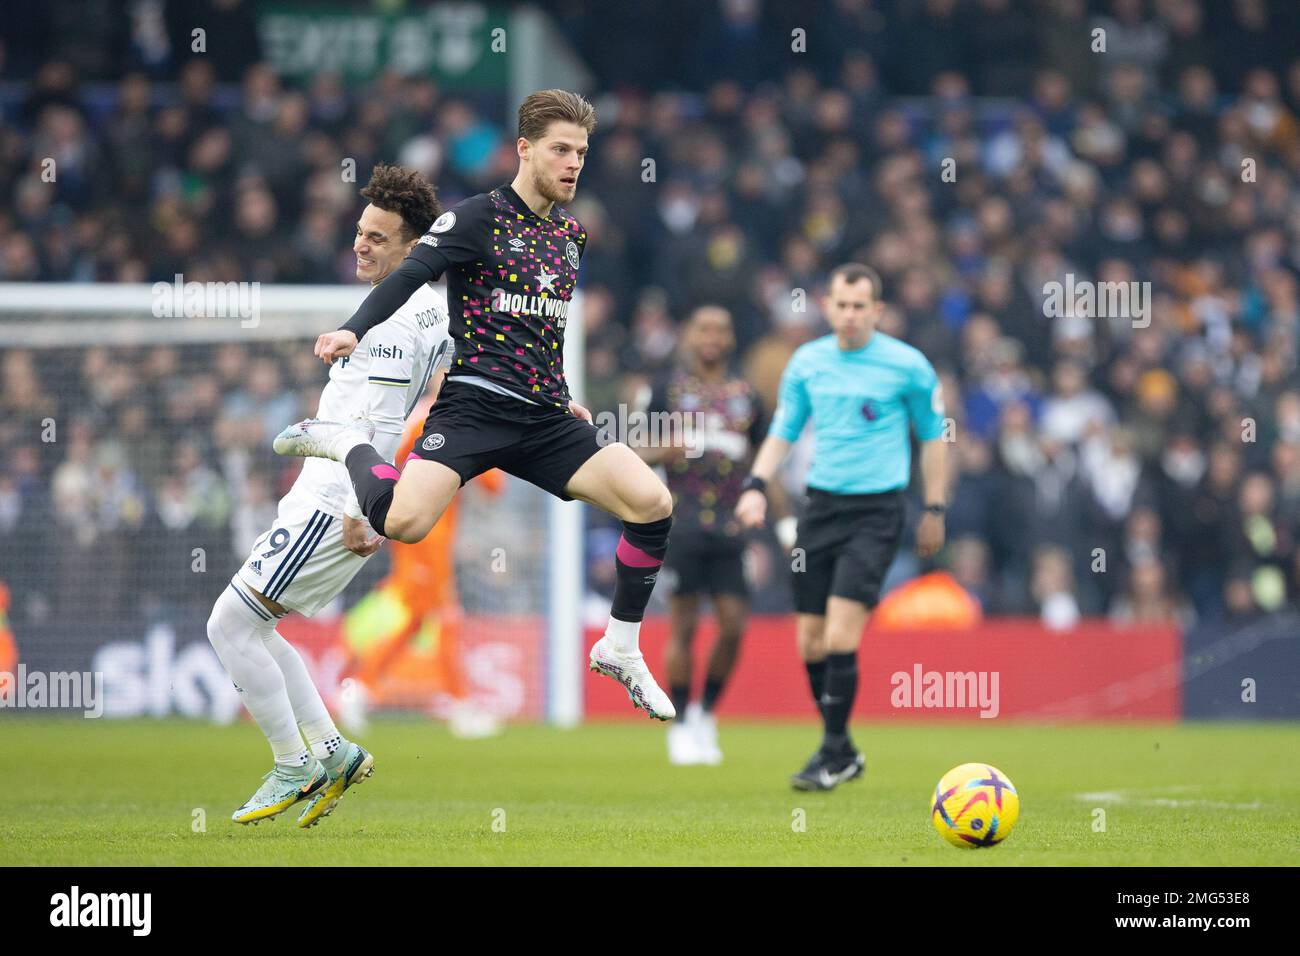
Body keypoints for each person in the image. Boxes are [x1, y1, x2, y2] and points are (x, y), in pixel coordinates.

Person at [274, 90, 676, 719]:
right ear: (525, 149)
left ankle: (620, 647)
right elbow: (411, 273)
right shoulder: (476, 218)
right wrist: (355, 326)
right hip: (475, 408)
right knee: (403, 523)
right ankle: (342, 441)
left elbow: (543, 327)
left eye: (582, 152)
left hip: (543, 417)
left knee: (652, 502)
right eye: (561, 150)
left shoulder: (571, 237)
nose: (574, 163)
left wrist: (564, 394)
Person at [207, 164, 453, 827]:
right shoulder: (429, 310)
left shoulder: (397, 322)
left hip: (332, 499)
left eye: (378, 238)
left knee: (227, 625)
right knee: (255, 625)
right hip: (325, 492)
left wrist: (356, 510)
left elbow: (374, 426)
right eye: (359, 232)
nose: (361, 246)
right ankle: (331, 750)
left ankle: (294, 764)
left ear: (413, 248)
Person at [736, 263, 948, 791]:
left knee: (838, 633)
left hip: (877, 512)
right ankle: (842, 747)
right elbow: (784, 428)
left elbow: (934, 435)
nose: (850, 315)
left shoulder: (908, 366)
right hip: (820, 509)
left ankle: (831, 754)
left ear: (877, 310)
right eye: (842, 304)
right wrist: (757, 483)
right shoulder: (807, 362)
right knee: (809, 641)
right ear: (827, 306)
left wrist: (936, 508)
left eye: (860, 306)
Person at [637, 305, 766, 764]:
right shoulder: (665, 389)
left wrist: (774, 514)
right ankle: (681, 723)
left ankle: (706, 713)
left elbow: (764, 459)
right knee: (684, 626)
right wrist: (667, 449)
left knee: (733, 626)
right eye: (703, 328)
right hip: (680, 523)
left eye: (721, 329)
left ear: (730, 338)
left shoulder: (747, 395)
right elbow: (632, 450)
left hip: (732, 526)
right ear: (690, 335)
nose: (712, 336)